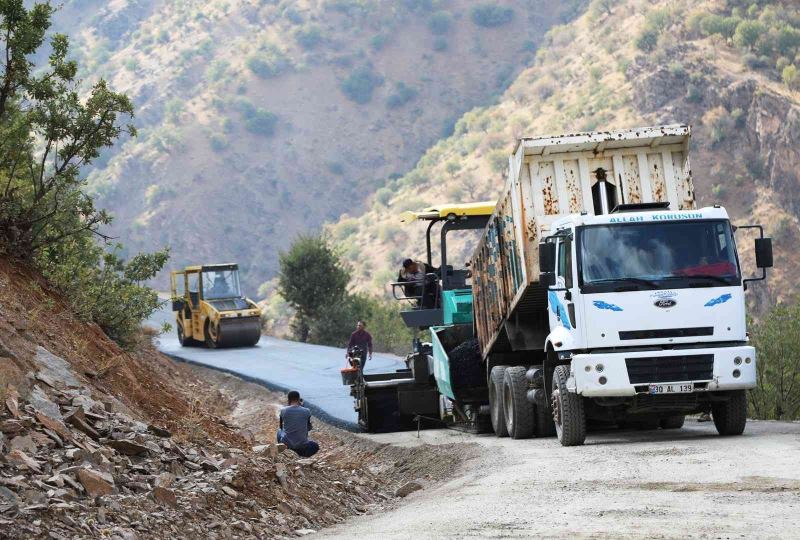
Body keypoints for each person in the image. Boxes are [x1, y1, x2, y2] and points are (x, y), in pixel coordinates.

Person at [277, 391, 319, 458]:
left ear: (288, 400)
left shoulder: (283, 411)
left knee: (279, 431)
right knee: (315, 446)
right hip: (302, 446)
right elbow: (309, 428)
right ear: (299, 399)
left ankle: (285, 451)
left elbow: (281, 427)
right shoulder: (307, 411)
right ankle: (302, 455)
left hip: (287, 445)